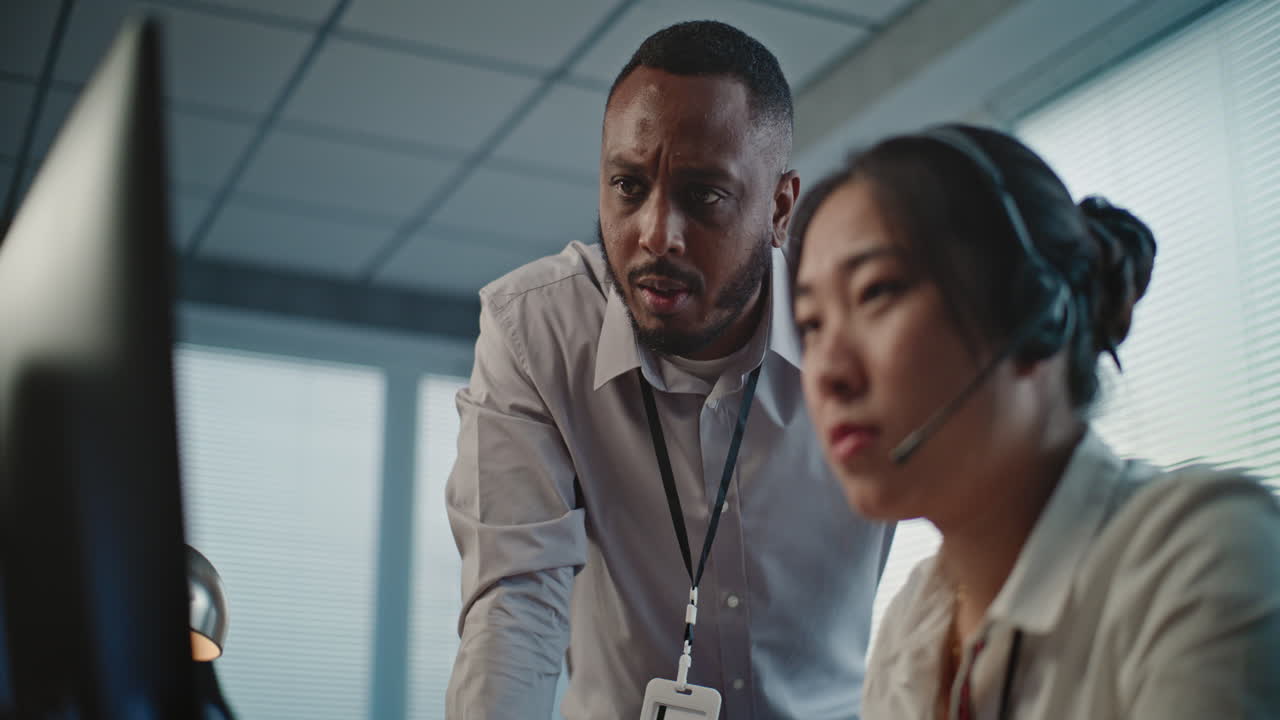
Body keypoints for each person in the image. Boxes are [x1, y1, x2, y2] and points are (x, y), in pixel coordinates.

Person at [445, 20, 894, 720]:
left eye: (703, 195)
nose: (656, 234)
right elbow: (515, 607)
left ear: (779, 207)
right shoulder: (537, 331)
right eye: (628, 186)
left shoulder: (866, 330)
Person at [789, 122, 1280, 719]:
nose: (827, 371)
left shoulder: (1204, 554)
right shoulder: (911, 627)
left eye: (876, 292)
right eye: (812, 324)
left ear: (1037, 310)